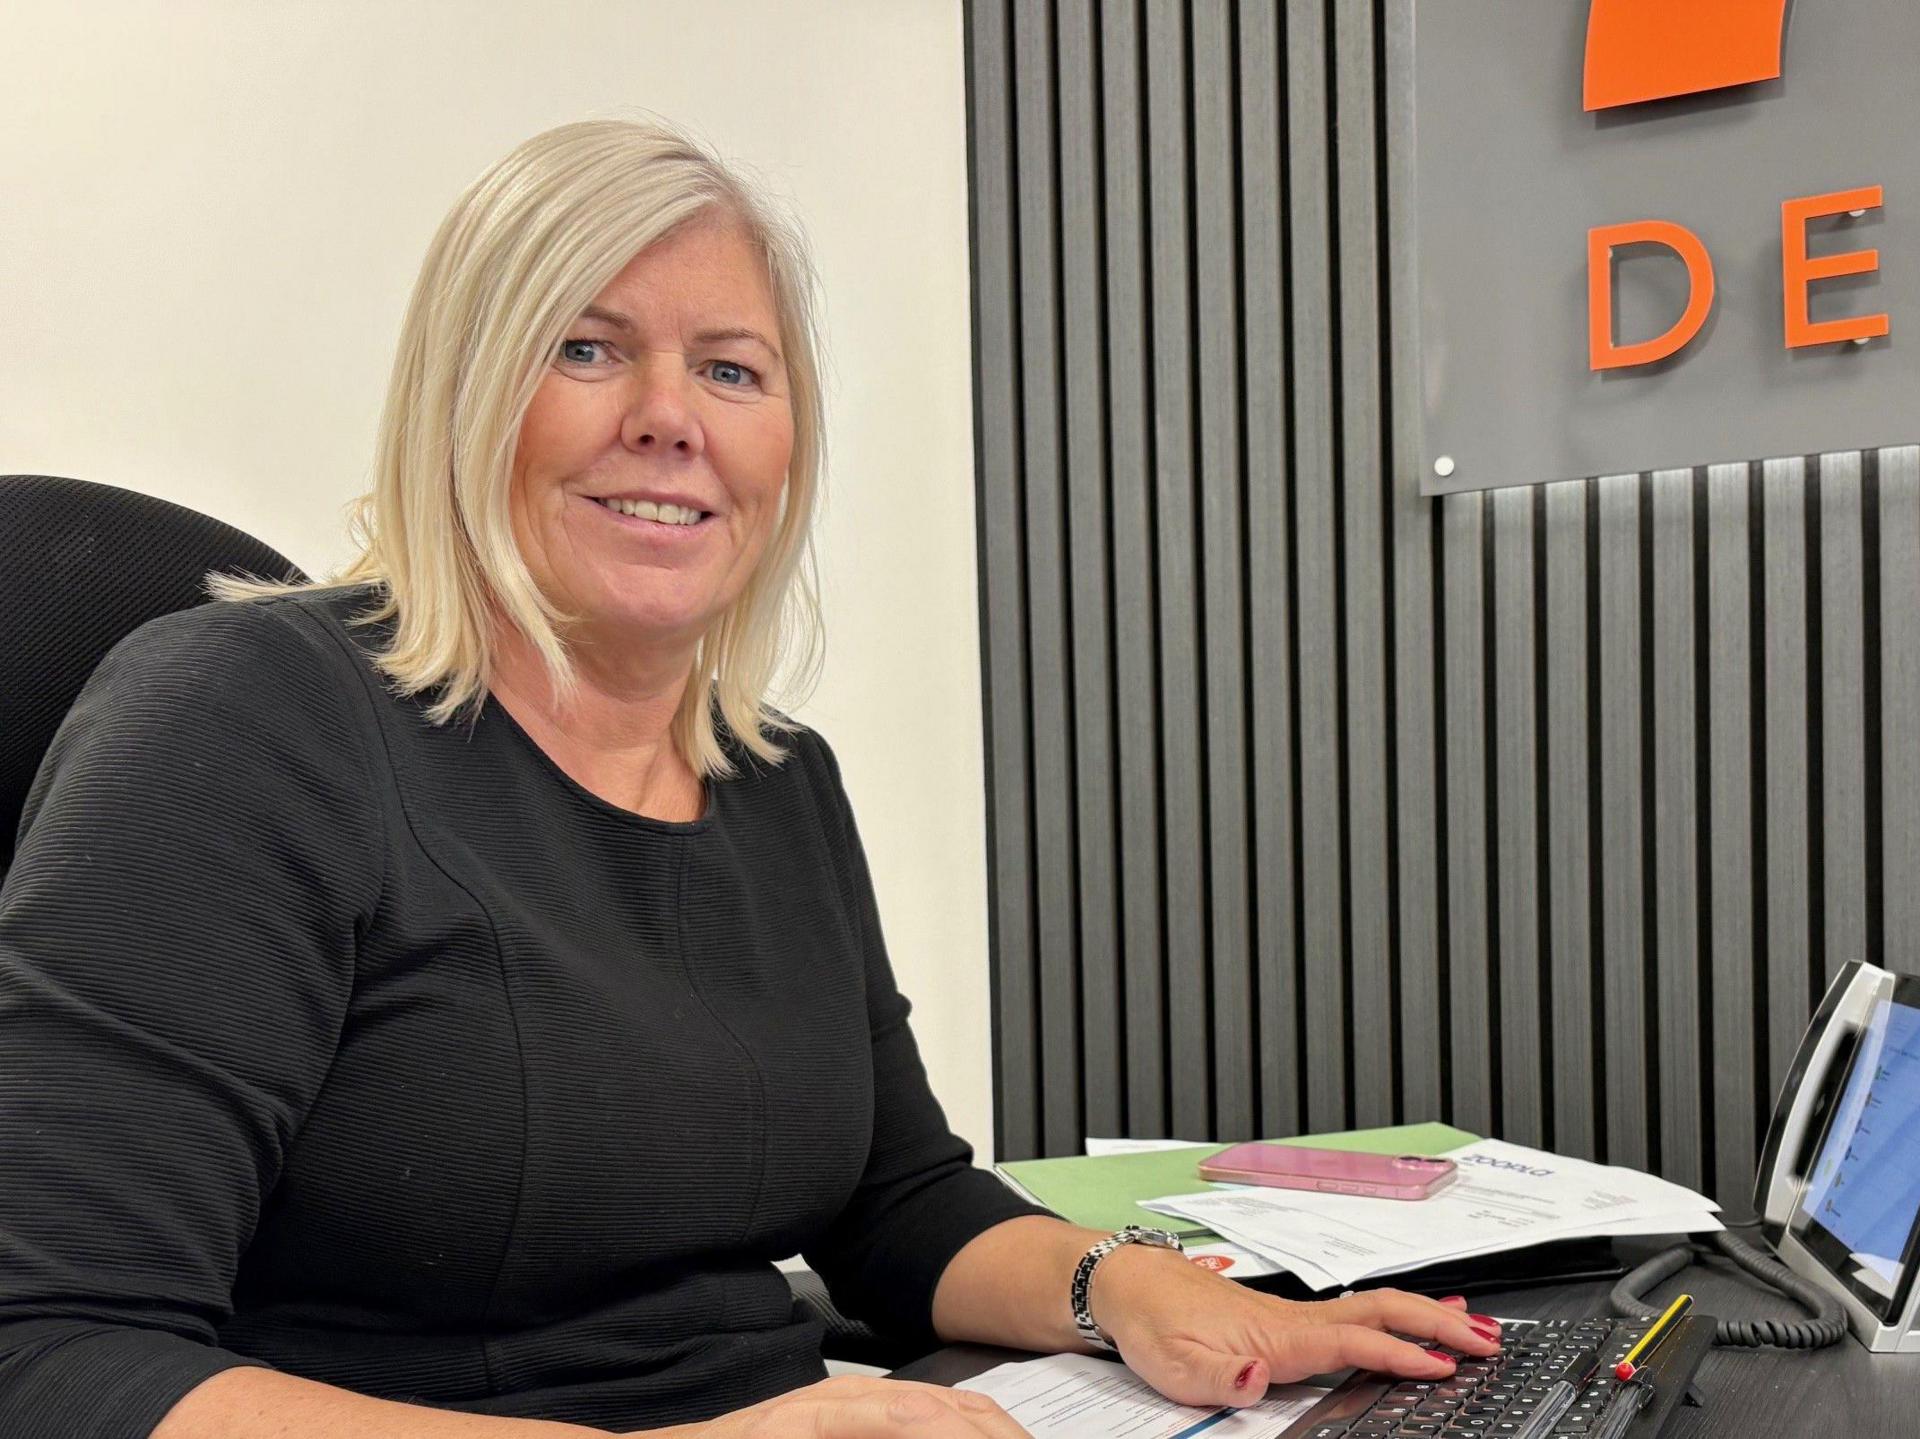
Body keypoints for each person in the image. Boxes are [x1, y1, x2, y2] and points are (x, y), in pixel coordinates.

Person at [0, 119, 1499, 1439]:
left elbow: (893, 1201)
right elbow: (55, 1357)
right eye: (585, 349)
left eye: (731, 369)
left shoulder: (778, 778)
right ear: (463, 401)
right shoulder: (245, 718)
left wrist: (1133, 1290)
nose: (673, 416)